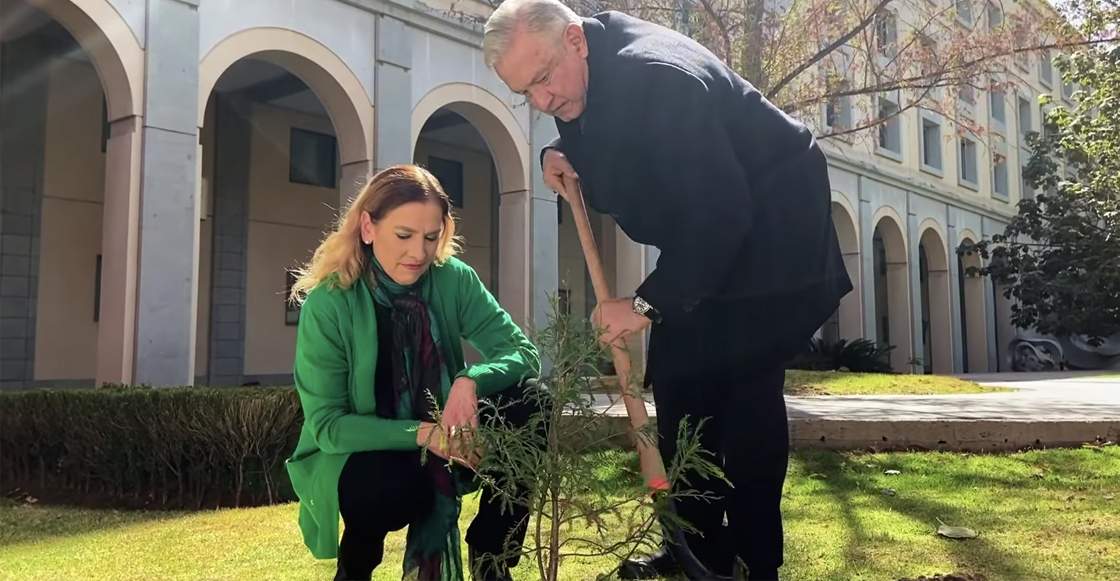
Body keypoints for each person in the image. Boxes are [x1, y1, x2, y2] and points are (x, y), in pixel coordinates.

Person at [482, 3, 853, 581]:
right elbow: (601, 127)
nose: (541, 102)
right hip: (708, 233)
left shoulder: (659, 77)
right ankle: (699, 548)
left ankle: (759, 562)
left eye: (543, 79)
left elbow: (723, 215)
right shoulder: (585, 64)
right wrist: (563, 152)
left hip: (775, 233)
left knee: (745, 389)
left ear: (575, 40)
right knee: (680, 380)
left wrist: (644, 304)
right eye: (523, 91)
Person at [284, 164, 548, 581]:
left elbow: (521, 352)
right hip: (370, 451)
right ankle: (355, 566)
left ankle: (491, 557)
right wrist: (427, 436)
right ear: (368, 227)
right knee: (379, 487)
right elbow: (329, 427)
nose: (419, 254)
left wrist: (470, 380)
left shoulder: (452, 279)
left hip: (455, 434)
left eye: (431, 237)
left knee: (532, 399)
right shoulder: (330, 302)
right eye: (404, 236)